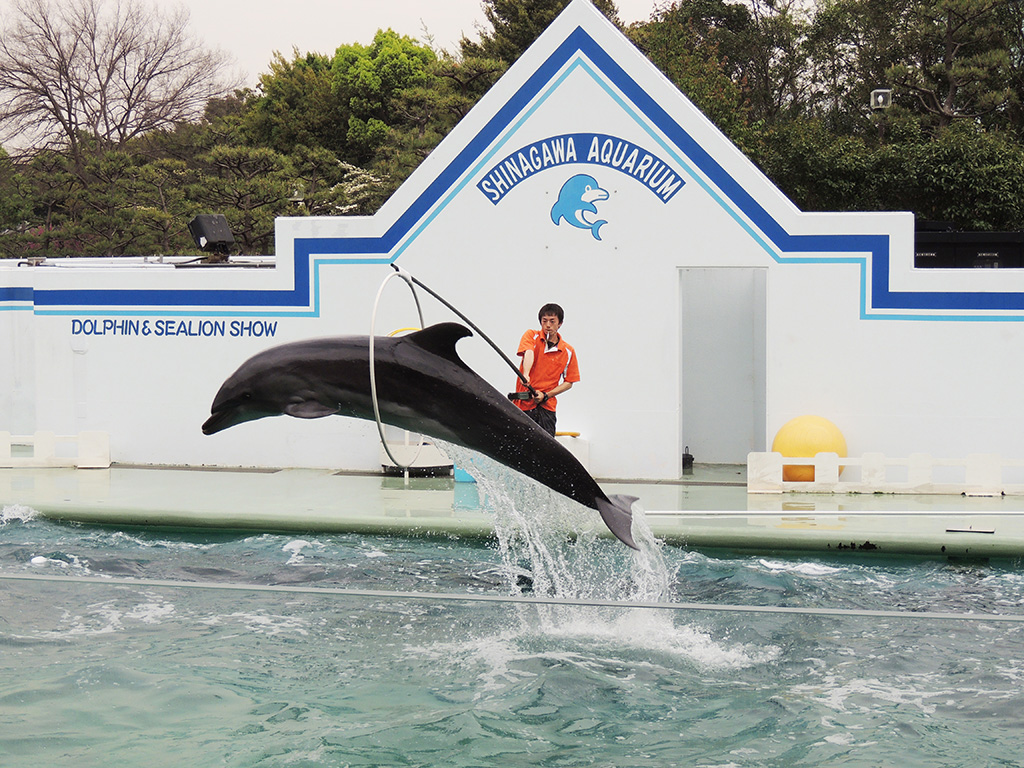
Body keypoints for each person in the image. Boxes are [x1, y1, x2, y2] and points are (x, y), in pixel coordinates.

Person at [512, 303, 580, 436]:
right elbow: (528, 352)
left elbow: (569, 382)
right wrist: (525, 374)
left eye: (552, 321)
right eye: (544, 321)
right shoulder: (531, 335)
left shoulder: (568, 351)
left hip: (547, 408)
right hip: (524, 406)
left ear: (560, 323)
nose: (548, 325)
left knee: (544, 446)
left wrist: (546, 395)